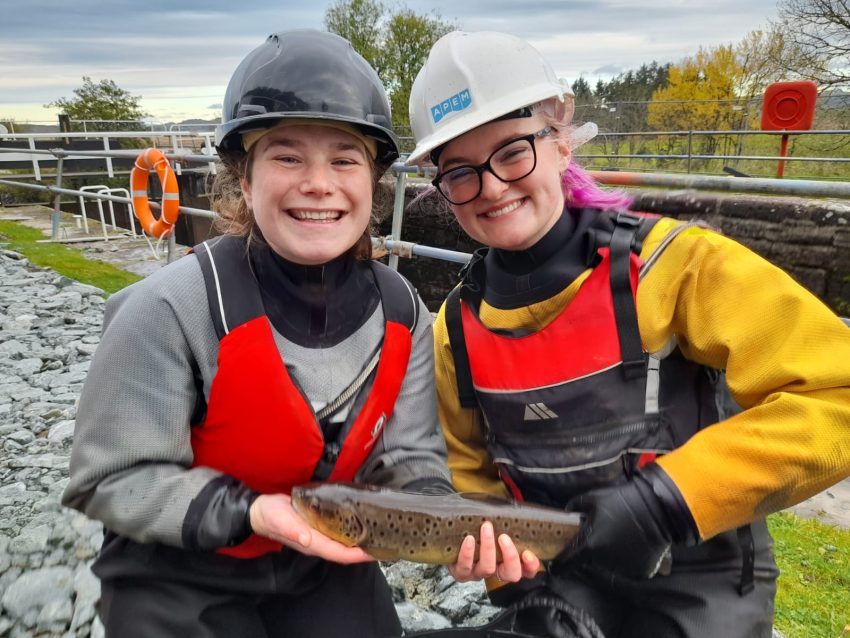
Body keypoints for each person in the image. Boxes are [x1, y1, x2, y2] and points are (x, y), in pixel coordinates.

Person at [406, 30, 850, 638]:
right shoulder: (458, 325)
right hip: (563, 576)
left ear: (561, 142)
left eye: (512, 152)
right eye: (461, 172)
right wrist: (510, 575)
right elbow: (472, 473)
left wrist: (666, 500)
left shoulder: (674, 266)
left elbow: (834, 393)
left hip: (701, 573)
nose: (491, 188)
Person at [62, 30, 455, 638]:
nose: (318, 183)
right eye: (287, 156)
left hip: (319, 561)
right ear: (244, 181)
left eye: (344, 160)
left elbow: (411, 456)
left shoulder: (403, 312)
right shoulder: (167, 309)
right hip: (179, 570)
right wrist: (252, 513)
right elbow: (109, 479)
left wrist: (441, 518)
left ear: (372, 188)